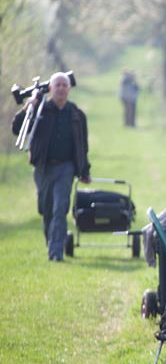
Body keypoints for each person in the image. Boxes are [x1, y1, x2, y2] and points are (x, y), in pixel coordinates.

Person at [12, 72, 91, 262]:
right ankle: (52, 241)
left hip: (66, 168)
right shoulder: (40, 110)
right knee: (46, 209)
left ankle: (56, 252)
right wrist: (28, 106)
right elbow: (16, 128)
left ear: (69, 89)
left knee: (59, 209)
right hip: (43, 167)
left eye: (64, 85)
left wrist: (84, 170)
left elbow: (83, 146)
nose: (61, 89)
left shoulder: (76, 114)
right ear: (50, 89)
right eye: (58, 85)